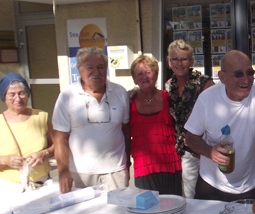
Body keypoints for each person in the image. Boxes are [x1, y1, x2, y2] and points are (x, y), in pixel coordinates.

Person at [184, 50, 255, 201]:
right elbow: (190, 137)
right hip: (211, 186)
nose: (246, 79)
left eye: (250, 72)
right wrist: (209, 151)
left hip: (251, 186)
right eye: (238, 74)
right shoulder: (207, 99)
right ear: (222, 77)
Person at [52, 46, 130, 194]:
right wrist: (63, 171)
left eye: (100, 67)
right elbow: (60, 138)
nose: (96, 72)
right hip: (80, 173)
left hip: (115, 172)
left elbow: (125, 131)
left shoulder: (120, 92)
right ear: (79, 70)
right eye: (89, 67)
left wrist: (127, 164)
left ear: (106, 68)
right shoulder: (67, 96)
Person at [165, 40, 215, 198]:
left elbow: (217, 115)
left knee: (212, 191)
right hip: (185, 150)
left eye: (184, 59)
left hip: (207, 147)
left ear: (191, 61)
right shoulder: (168, 86)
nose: (179, 63)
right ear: (169, 62)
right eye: (175, 59)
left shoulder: (205, 83)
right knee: (190, 194)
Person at [129, 55, 182, 195]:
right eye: (139, 74)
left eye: (148, 72)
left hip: (170, 163)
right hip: (143, 166)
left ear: (156, 75)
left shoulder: (169, 98)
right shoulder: (128, 101)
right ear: (134, 79)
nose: (144, 77)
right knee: (147, 210)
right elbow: (123, 132)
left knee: (173, 207)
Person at [0, 73, 54, 194]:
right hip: (8, 188)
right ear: (4, 97)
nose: (18, 99)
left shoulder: (40, 117)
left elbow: (58, 145)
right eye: (12, 95)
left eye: (21, 93)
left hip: (41, 185)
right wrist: (5, 160)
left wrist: (44, 153)